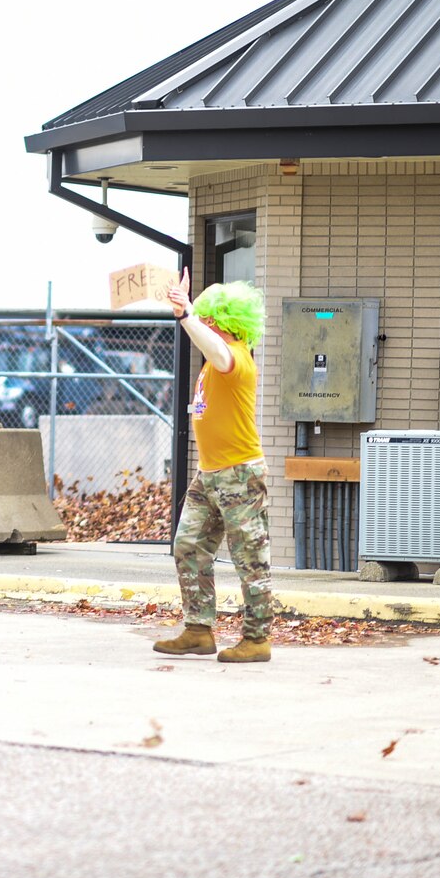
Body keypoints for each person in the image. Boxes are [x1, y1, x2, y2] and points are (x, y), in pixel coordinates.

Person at [152, 268, 274, 664]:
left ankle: (257, 640)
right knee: (188, 544)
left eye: (207, 319)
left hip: (239, 473)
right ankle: (198, 630)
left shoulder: (234, 357)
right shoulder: (213, 361)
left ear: (221, 323)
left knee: (249, 557)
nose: (200, 325)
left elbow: (218, 352)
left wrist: (186, 314)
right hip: (211, 473)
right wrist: (186, 314)